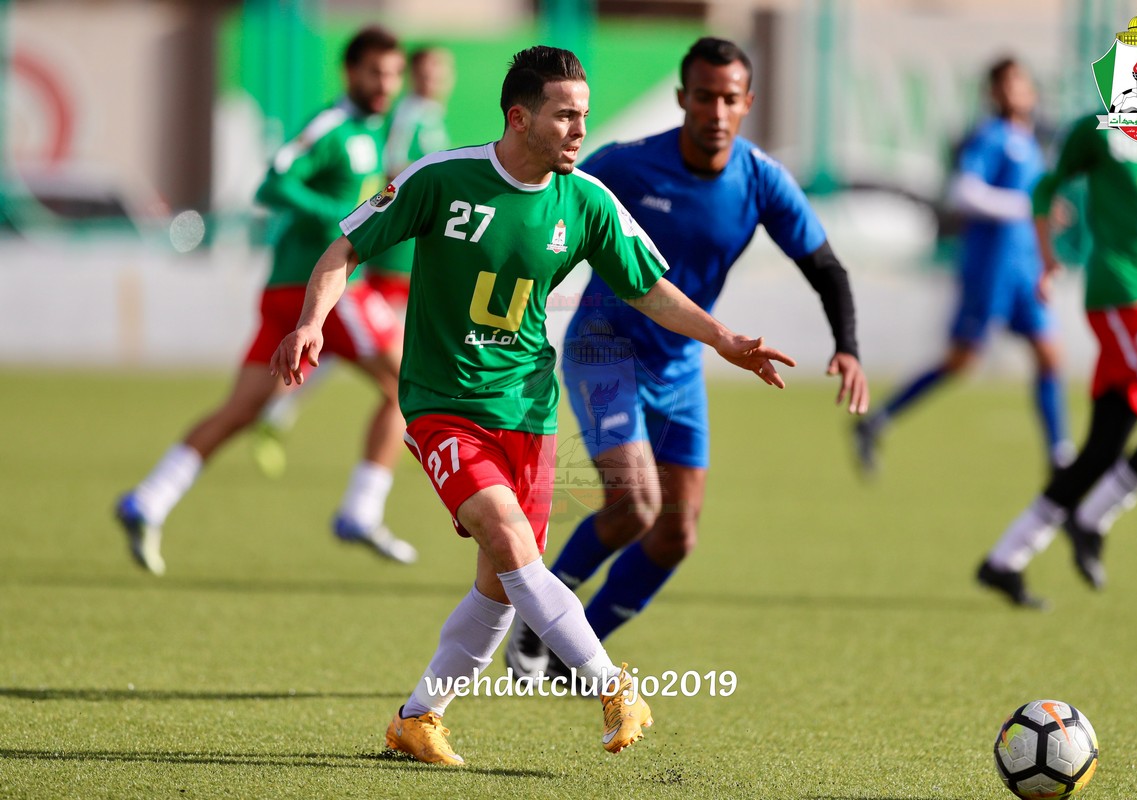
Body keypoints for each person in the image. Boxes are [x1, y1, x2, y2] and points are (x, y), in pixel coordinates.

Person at [270, 45, 796, 765]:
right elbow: (345, 248)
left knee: (500, 586)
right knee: (512, 542)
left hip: (529, 413)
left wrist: (723, 338)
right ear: (519, 118)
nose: (580, 129)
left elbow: (647, 287)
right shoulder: (442, 178)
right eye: (565, 115)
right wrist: (312, 321)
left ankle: (418, 719)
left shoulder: (586, 200)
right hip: (444, 406)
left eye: (584, 114)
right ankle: (613, 687)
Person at [502, 37, 868, 684]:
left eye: (729, 98)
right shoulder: (627, 165)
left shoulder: (761, 179)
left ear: (748, 102)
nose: (716, 111)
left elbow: (824, 265)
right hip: (605, 349)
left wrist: (848, 346)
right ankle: (538, 617)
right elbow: (541, 197)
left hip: (678, 365)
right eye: (704, 96)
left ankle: (572, 656)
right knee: (636, 505)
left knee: (676, 536)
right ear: (682, 99)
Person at [114, 26, 417, 574]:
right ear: (350, 72)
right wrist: (337, 216)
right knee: (408, 384)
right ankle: (361, 510)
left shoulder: (373, 131)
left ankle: (149, 499)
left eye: (393, 74)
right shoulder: (332, 125)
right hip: (321, 291)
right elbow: (271, 185)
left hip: (285, 291)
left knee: (242, 409)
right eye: (375, 72)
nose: (385, 84)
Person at [976, 23, 1137, 608]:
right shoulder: (1098, 129)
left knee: (1104, 445)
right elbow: (1044, 190)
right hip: (1120, 295)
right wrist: (1048, 258)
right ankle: (1095, 516)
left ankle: (1005, 559)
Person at [854, 57, 1072, 476]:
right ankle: (877, 420)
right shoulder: (991, 137)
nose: (1013, 91)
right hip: (989, 268)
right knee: (962, 360)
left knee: (1050, 353)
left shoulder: (1031, 140)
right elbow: (964, 193)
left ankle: (1060, 454)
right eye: (1004, 84)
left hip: (1024, 268)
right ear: (992, 93)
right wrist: (1028, 206)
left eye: (1019, 83)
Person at [251, 47, 457, 476]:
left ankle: (281, 410)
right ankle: (367, 487)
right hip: (387, 255)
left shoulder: (428, 116)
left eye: (440, 72)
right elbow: (393, 172)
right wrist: (361, 213)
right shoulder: (402, 116)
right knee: (397, 367)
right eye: (426, 71)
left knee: (355, 346)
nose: (433, 79)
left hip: (399, 253)